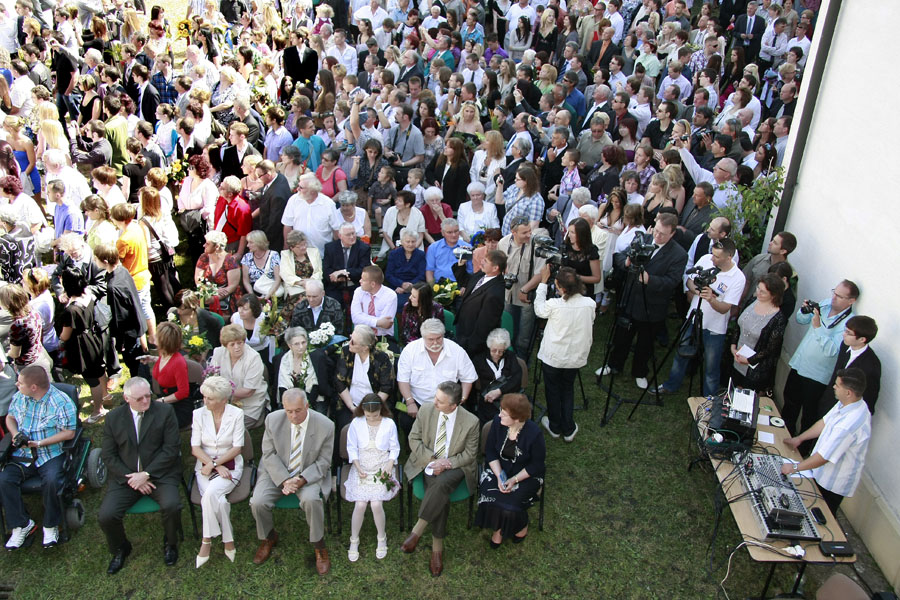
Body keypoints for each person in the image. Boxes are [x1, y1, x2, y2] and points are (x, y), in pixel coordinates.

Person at [99, 377, 183, 574]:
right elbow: (108, 455)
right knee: (106, 515)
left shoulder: (165, 412)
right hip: (126, 478)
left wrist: (146, 474)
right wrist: (132, 478)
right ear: (127, 398)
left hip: (160, 474)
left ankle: (170, 542)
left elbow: (171, 449)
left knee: (172, 505)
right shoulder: (113, 418)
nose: (146, 401)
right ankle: (120, 548)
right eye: (140, 398)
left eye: (148, 396)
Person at [597, 213, 688, 389]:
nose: (657, 236)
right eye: (656, 231)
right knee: (622, 336)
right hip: (630, 299)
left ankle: (639, 372)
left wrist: (650, 280)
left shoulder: (679, 254)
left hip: (652, 306)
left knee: (645, 343)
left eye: (663, 234)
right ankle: (614, 364)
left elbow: (672, 281)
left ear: (672, 233)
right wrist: (627, 262)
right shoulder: (642, 238)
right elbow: (620, 256)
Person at [249, 389, 334, 574]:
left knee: (312, 500)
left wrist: (302, 480)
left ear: (307, 406)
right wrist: (285, 479)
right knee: (258, 502)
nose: (293, 416)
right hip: (276, 472)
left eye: (297, 410)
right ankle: (269, 537)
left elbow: (324, 462)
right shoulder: (272, 420)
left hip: (308, 473)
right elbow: (268, 454)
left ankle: (319, 545)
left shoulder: (326, 425)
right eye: (289, 411)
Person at [402, 381, 479, 577]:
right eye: (436, 398)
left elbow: (469, 455)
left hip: (456, 466)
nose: (435, 403)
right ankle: (437, 549)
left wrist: (445, 464)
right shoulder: (426, 410)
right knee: (440, 490)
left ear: (454, 406)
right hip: (427, 460)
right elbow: (413, 439)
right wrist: (433, 461)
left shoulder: (471, 422)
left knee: (442, 483)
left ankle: (417, 532)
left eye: (440, 401)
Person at [654, 239, 745, 397]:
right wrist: (696, 290)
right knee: (681, 353)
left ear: (729, 257)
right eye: (712, 254)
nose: (712, 259)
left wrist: (711, 299)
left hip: (715, 328)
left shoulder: (738, 278)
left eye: (717, 256)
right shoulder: (705, 259)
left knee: (711, 366)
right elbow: (689, 280)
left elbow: (725, 309)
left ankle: (709, 399)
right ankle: (671, 385)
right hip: (693, 318)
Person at [0, 366, 76, 550]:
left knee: (51, 481)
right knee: (4, 480)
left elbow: (69, 433)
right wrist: (16, 433)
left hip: (50, 453)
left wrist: (40, 443)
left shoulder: (61, 402)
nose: (16, 384)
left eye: (20, 383)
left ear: (33, 387)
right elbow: (10, 418)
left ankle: (50, 524)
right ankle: (22, 524)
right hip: (23, 454)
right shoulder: (20, 397)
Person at [780, 368, 871, 516]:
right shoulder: (847, 402)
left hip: (832, 483)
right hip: (820, 472)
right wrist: (800, 438)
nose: (834, 387)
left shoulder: (849, 424)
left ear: (848, 392)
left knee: (821, 519)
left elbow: (824, 457)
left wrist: (794, 467)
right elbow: (824, 423)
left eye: (837, 385)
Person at [781, 280, 858, 442]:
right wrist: (804, 310)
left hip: (817, 376)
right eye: (834, 292)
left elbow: (833, 351)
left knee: (809, 417)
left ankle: (800, 452)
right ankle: (781, 439)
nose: (833, 298)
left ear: (851, 301)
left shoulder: (849, 323)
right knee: (789, 405)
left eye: (839, 296)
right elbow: (801, 320)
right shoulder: (824, 304)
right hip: (799, 365)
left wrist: (818, 327)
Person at [474, 393, 545, 547]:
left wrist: (514, 480)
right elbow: (491, 452)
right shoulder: (497, 422)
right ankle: (498, 528)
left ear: (517, 419)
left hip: (526, 475)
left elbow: (536, 465)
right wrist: (500, 476)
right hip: (498, 468)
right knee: (490, 494)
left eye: (504, 414)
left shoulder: (534, 434)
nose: (499, 415)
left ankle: (520, 524)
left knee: (511, 504)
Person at [534, 266, 595, 442]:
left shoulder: (554, 305)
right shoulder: (590, 304)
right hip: (575, 357)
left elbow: (539, 310)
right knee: (567, 388)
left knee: (553, 389)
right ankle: (568, 428)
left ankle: (555, 425)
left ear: (560, 287)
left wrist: (543, 283)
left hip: (554, 357)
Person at [191, 376, 245, 568]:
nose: (205, 401)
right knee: (219, 501)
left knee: (209, 496)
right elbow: (195, 448)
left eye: (210, 398)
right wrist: (213, 465)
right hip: (205, 468)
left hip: (230, 468)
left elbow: (237, 448)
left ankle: (206, 541)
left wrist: (217, 463)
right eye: (204, 397)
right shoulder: (198, 414)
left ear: (223, 400)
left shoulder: (236, 414)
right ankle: (227, 540)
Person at [344, 394, 400, 562]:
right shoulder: (356, 423)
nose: (372, 418)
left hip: (382, 466)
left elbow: (395, 448)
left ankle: (381, 538)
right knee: (360, 505)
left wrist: (390, 465)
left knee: (376, 503)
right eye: (368, 416)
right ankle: (354, 540)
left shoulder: (389, 424)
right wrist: (358, 466)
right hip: (362, 466)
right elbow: (351, 447)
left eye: (375, 415)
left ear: (381, 411)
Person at [58, 266, 107, 423]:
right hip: (94, 338)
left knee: (92, 379)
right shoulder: (89, 297)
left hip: (82, 346)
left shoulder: (71, 311)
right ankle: (105, 395)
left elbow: (65, 335)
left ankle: (98, 410)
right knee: (99, 371)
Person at [730, 274, 788, 395]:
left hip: (754, 368)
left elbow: (770, 349)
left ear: (773, 295)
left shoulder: (778, 319)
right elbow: (739, 324)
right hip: (738, 358)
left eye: (763, 292)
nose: (758, 293)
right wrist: (733, 346)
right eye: (758, 289)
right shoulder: (752, 301)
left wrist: (749, 360)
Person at [498, 217, 547, 359]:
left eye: (529, 231)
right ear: (513, 232)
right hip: (508, 294)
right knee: (508, 329)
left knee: (524, 335)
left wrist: (524, 290)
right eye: (524, 233)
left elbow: (541, 273)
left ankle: (522, 363)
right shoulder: (503, 243)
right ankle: (507, 359)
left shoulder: (536, 245)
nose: (528, 235)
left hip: (527, 296)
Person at [334, 324, 395, 434]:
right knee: (345, 428)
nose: (349, 343)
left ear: (365, 347)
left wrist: (370, 409)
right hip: (350, 402)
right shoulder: (346, 352)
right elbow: (339, 381)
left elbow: (386, 387)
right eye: (350, 338)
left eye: (353, 342)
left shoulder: (381, 358)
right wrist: (352, 407)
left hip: (376, 404)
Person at [817, 316, 881, 418]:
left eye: (848, 333)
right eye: (845, 330)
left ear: (862, 339)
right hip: (828, 404)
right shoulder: (846, 345)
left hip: (845, 415)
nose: (844, 334)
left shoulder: (871, 366)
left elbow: (870, 398)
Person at [210, 325, 269, 430]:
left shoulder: (253, 358)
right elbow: (212, 378)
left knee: (228, 429)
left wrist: (221, 395)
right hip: (222, 401)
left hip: (249, 405)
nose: (237, 347)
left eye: (240, 343)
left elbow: (248, 391)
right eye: (232, 344)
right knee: (209, 425)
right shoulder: (218, 352)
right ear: (225, 345)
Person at [452, 249, 508, 357]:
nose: (481, 262)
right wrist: (461, 265)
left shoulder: (495, 293)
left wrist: (471, 345)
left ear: (495, 268)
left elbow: (485, 325)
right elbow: (466, 281)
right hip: (463, 329)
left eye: (486, 261)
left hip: (473, 341)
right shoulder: (482, 274)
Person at [140, 322, 193, 429]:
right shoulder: (163, 354)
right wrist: (153, 359)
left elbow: (183, 392)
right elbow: (168, 365)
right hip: (165, 401)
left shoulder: (178, 362)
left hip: (179, 407)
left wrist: (161, 401)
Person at [473, 329, 524, 424]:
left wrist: (499, 391)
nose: (497, 354)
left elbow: (517, 379)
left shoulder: (510, 357)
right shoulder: (479, 359)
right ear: (489, 346)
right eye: (494, 350)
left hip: (509, 396)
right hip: (488, 400)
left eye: (501, 351)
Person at [0, 284, 52, 377]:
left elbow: (15, 354)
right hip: (38, 355)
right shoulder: (33, 312)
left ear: (7, 304)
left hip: (27, 366)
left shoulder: (17, 325)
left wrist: (6, 353)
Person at [195, 230, 243, 316]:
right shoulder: (203, 257)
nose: (204, 245)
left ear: (216, 246)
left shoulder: (230, 261)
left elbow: (232, 286)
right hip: (207, 294)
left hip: (227, 299)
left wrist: (215, 298)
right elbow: (198, 280)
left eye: (207, 244)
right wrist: (212, 291)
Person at [322, 222, 371, 304]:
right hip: (335, 285)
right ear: (340, 236)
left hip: (356, 284)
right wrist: (336, 277)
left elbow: (364, 270)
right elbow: (326, 269)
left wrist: (343, 272)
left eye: (353, 233)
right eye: (348, 235)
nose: (352, 237)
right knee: (332, 303)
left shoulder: (364, 248)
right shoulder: (330, 248)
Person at [350, 265, 398, 338]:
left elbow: (386, 324)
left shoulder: (390, 295)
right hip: (362, 336)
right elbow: (355, 318)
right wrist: (377, 322)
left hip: (383, 336)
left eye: (363, 279)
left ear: (372, 284)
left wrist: (363, 317)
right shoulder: (358, 292)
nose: (360, 281)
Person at [425, 218, 472, 284]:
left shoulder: (466, 247)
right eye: (449, 232)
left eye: (456, 231)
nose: (454, 235)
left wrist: (465, 286)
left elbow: (470, 270)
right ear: (442, 233)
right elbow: (429, 271)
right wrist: (433, 290)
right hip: (439, 285)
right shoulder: (433, 248)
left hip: (461, 284)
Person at [241, 230, 282, 300]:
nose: (247, 245)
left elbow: (278, 279)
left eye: (251, 242)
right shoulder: (247, 257)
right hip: (253, 292)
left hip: (271, 292)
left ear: (259, 243)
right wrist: (253, 296)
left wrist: (266, 297)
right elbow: (246, 281)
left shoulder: (274, 255)